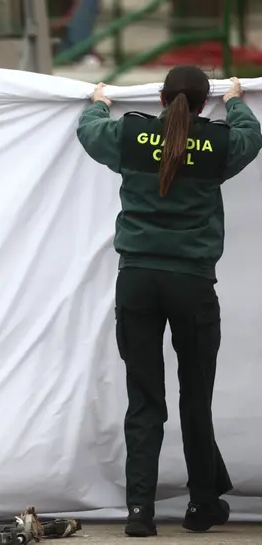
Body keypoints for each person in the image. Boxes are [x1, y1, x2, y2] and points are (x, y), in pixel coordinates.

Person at [76, 67, 262, 537]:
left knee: (144, 400)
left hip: (137, 281)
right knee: (195, 398)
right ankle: (202, 504)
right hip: (191, 284)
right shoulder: (218, 144)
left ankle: (140, 511)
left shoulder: (131, 136)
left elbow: (90, 131)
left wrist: (99, 102)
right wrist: (235, 99)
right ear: (202, 103)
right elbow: (251, 136)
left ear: (161, 98)